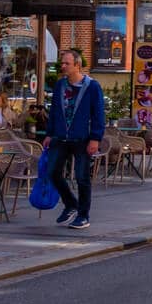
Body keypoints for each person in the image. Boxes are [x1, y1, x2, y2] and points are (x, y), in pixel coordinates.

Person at [43, 47, 105, 230]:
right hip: (60, 137)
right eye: (62, 63)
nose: (63, 66)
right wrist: (49, 133)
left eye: (66, 63)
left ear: (77, 65)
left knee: (81, 177)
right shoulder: (60, 85)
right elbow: (54, 111)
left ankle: (83, 215)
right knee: (52, 172)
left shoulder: (92, 87)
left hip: (82, 139)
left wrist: (95, 138)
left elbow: (98, 114)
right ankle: (70, 203)